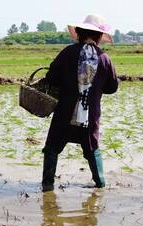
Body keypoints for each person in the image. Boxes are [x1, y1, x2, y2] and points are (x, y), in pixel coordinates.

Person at [42, 15, 120, 192]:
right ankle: (100, 184)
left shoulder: (67, 53)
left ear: (78, 33)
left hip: (64, 112)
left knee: (52, 147)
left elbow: (51, 78)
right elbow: (113, 87)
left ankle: (47, 186)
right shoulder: (104, 58)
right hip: (89, 115)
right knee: (92, 148)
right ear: (99, 37)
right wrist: (95, 90)